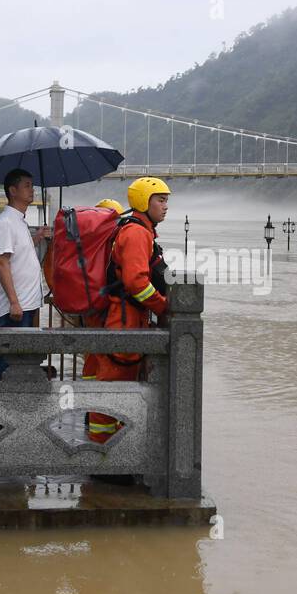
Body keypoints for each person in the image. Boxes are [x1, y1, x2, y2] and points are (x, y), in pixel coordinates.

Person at [86, 178, 170, 444]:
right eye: (161, 200)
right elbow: (136, 282)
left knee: (117, 384)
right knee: (114, 384)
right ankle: (104, 455)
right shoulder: (136, 233)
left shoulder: (136, 228)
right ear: (144, 201)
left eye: (167, 200)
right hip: (124, 318)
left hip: (125, 315)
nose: (166, 206)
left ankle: (113, 447)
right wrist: (162, 305)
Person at [0, 168, 51, 381]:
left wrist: (37, 237)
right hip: (16, 307)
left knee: (19, 357)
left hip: (26, 303)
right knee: (9, 358)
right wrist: (14, 302)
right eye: (26, 185)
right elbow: (2, 262)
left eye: (32, 186)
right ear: (12, 190)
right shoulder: (6, 222)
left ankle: (10, 406)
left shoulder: (18, 221)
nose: (32, 190)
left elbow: (17, 252)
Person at [79, 198, 126, 383]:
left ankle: (91, 394)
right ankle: (100, 395)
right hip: (108, 307)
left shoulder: (89, 244)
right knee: (105, 353)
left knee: (93, 350)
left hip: (91, 304)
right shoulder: (116, 243)